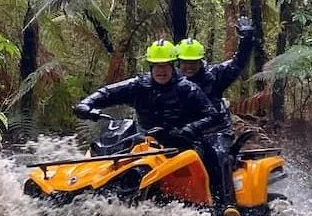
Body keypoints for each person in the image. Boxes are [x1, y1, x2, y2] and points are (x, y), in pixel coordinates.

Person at [73, 38, 220, 165]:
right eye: (157, 66)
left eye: (165, 66)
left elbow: (212, 116)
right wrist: (86, 104)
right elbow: (107, 93)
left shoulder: (188, 89)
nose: (161, 71)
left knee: (212, 158)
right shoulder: (139, 85)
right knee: (107, 150)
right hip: (144, 143)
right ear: (151, 67)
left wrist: (189, 129)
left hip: (181, 144)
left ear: (172, 66)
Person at [176, 17, 256, 216]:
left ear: (200, 61)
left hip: (216, 131)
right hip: (185, 132)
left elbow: (238, 63)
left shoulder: (214, 74)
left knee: (219, 153)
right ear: (178, 62)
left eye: (193, 62)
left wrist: (246, 39)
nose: (189, 67)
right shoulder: (170, 80)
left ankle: (228, 204)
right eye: (185, 62)